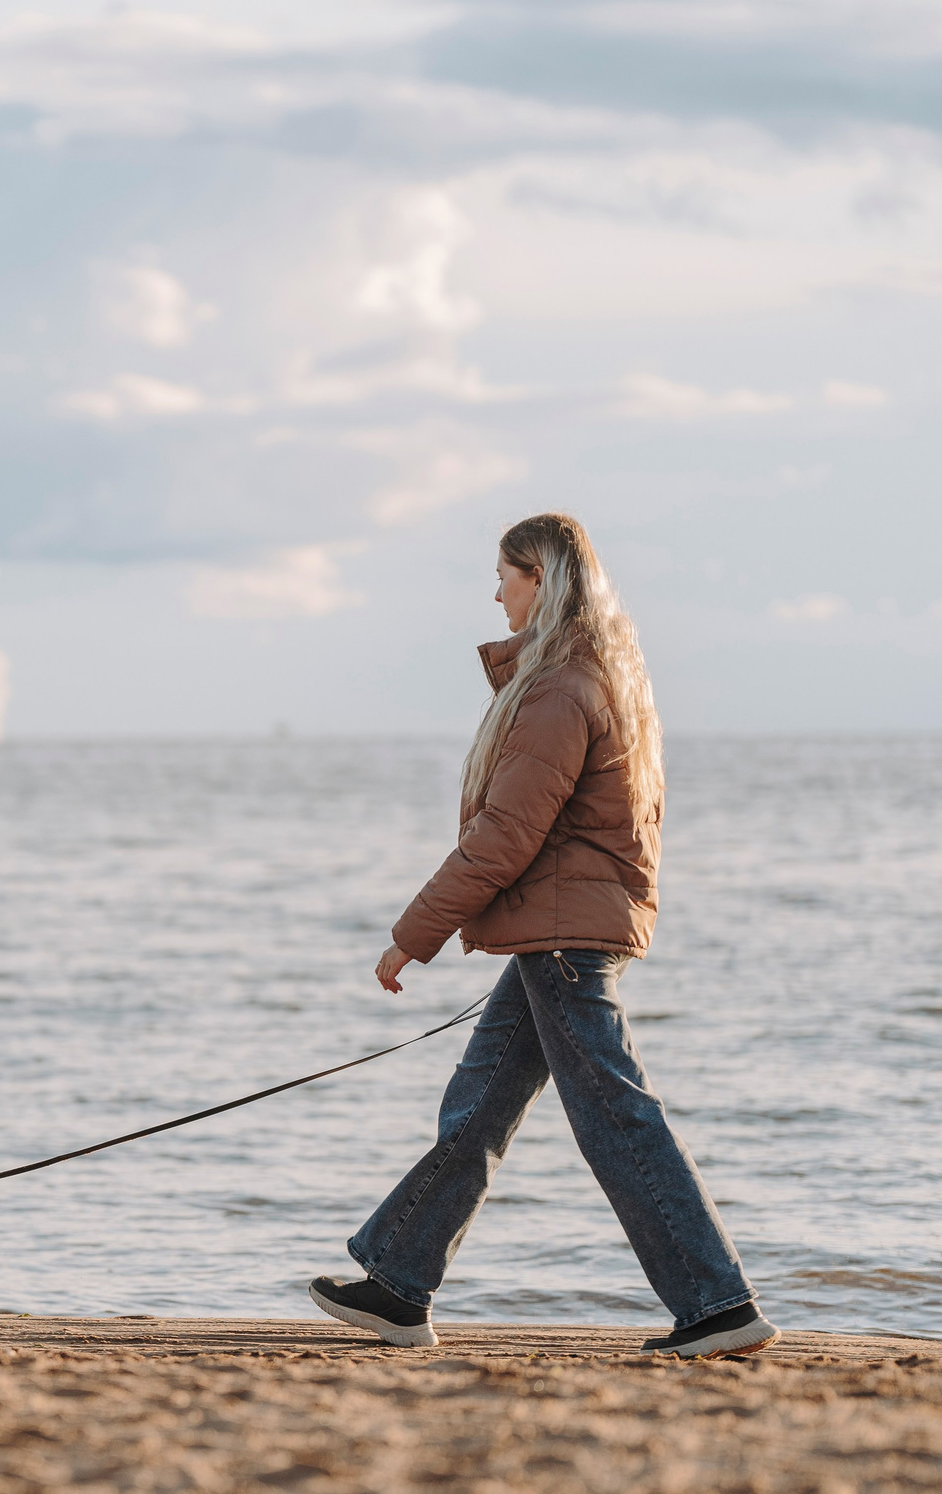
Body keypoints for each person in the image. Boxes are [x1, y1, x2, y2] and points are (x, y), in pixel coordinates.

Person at [310, 513, 776, 1359]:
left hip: (565, 940)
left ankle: (716, 1304)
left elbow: (504, 835)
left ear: (542, 578)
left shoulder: (562, 689)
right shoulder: (603, 676)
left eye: (504, 576)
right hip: (560, 933)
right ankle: (398, 1285)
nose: (495, 594)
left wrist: (412, 934)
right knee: (481, 1104)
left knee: (615, 1117)